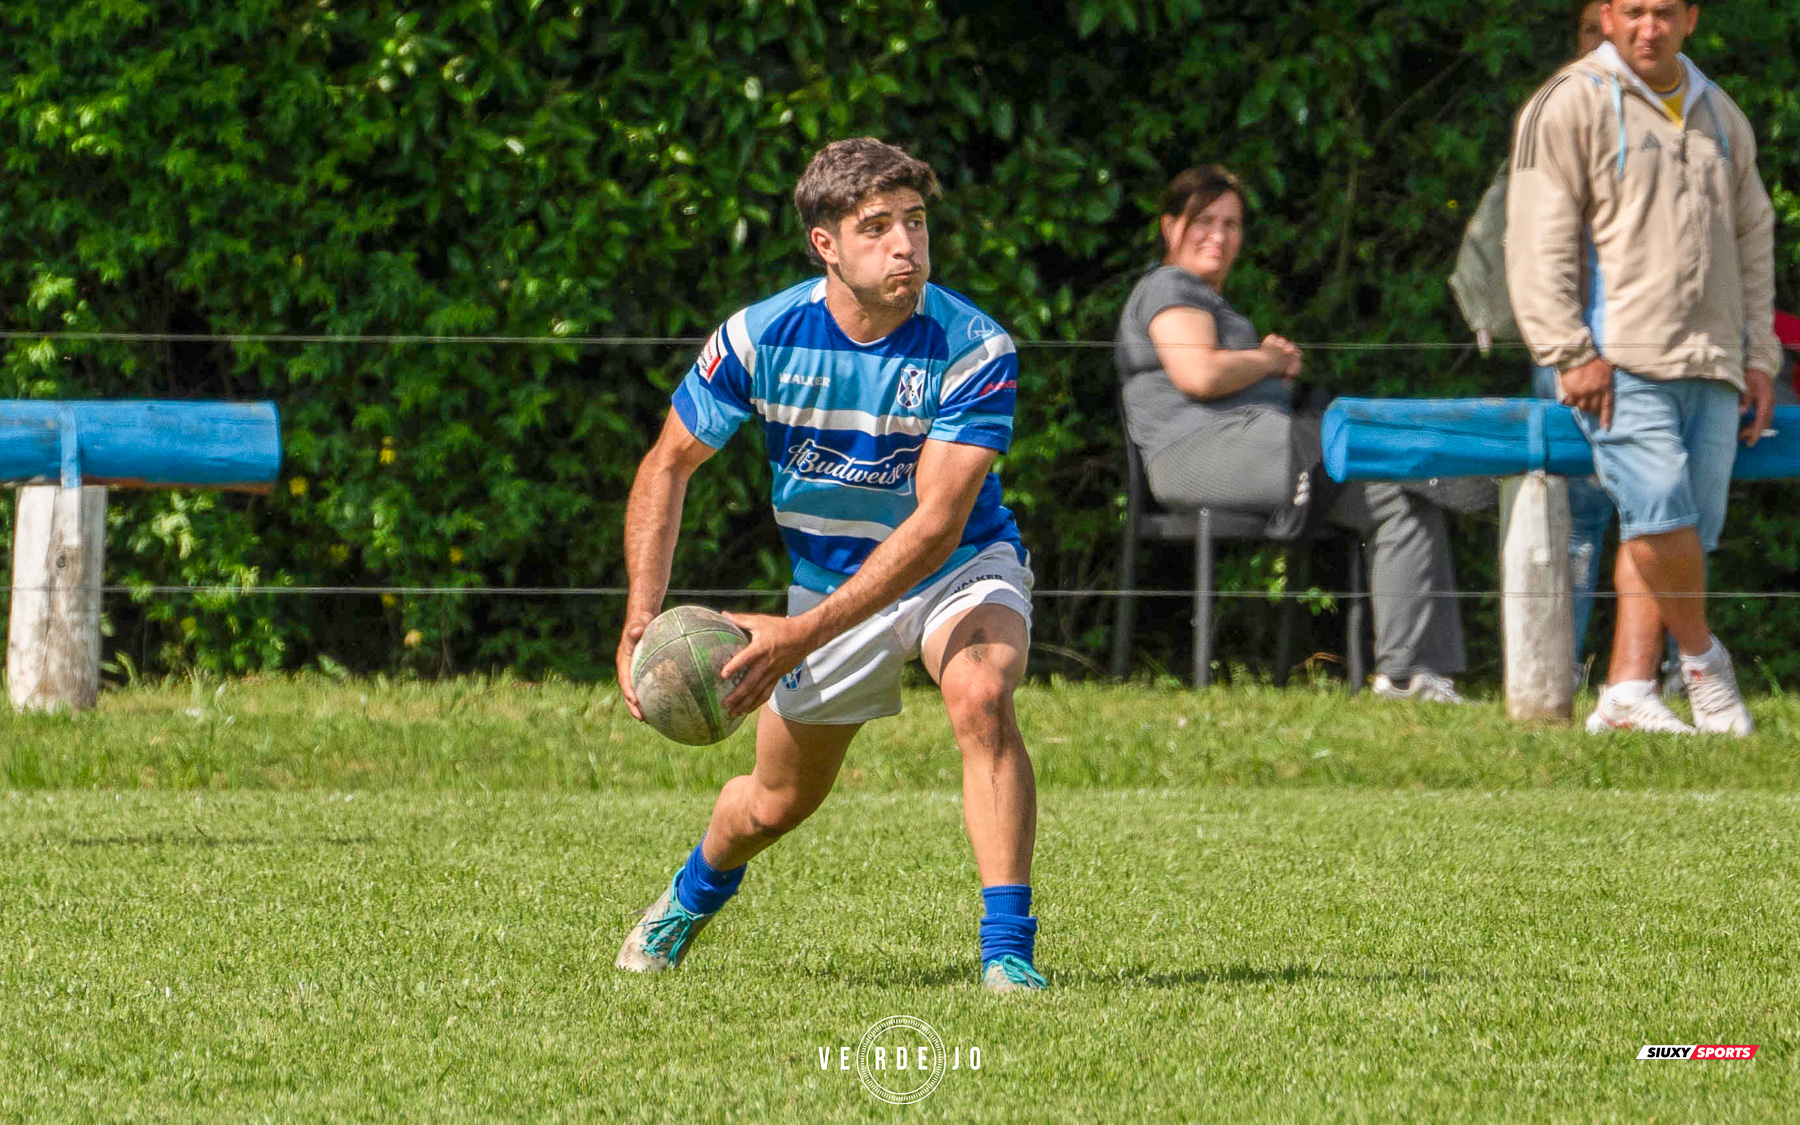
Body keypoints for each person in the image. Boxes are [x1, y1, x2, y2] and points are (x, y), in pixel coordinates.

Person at [612, 138, 1047, 992]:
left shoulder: (974, 347)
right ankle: (687, 898)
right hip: (827, 583)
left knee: (982, 692)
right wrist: (639, 616)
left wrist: (797, 634)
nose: (905, 245)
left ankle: (1007, 955)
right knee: (775, 803)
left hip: (959, 566)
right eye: (877, 226)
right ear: (826, 245)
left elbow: (932, 527)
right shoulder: (759, 337)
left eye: (915, 223)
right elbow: (667, 464)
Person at [1506, 0, 1778, 735]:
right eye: (1632, 11)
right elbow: (1537, 234)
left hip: (1714, 360)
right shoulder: (1568, 103)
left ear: (1691, 17)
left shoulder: (1721, 112)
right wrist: (1569, 351)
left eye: (1663, 12)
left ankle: (1627, 691)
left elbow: (1754, 236)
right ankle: (1706, 669)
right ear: (1607, 15)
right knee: (1661, 510)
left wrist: (1759, 357)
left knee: (1675, 529)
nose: (1647, 28)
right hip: (1618, 358)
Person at [1115, 165, 1467, 702]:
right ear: (1169, 227)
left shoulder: (1210, 300)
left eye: (1231, 224)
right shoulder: (1169, 285)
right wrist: (1267, 358)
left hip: (1253, 447)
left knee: (1400, 494)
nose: (1219, 235)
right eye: (1203, 220)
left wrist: (1269, 368)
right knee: (1387, 465)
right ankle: (1470, 477)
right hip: (1196, 452)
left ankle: (1415, 675)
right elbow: (1200, 374)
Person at [1452, 0, 1611, 674]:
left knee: (1663, 512)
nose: (1605, 43)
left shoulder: (1675, 115)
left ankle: (1656, 672)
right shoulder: (1551, 117)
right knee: (1575, 512)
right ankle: (1557, 666)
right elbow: (1521, 238)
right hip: (1574, 351)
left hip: (1659, 350)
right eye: (1590, 31)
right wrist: (1566, 348)